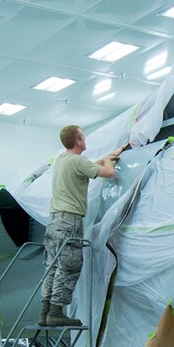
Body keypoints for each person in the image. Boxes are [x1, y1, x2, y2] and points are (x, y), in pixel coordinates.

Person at [43, 125, 121, 326]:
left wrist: (103, 158)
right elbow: (109, 173)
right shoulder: (78, 161)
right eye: (83, 138)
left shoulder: (62, 159)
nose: (85, 141)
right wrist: (108, 161)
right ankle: (56, 312)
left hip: (54, 220)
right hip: (69, 221)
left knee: (52, 265)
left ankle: (45, 312)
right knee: (70, 265)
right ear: (77, 141)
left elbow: (86, 167)